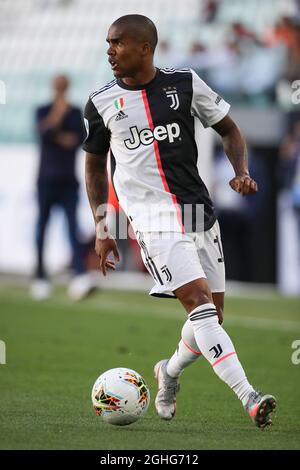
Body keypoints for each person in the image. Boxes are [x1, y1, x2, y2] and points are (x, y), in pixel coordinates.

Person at [83, 14, 277, 429]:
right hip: (152, 219)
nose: (109, 51)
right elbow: (95, 166)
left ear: (144, 47)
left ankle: (168, 372)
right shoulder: (101, 102)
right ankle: (250, 397)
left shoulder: (185, 84)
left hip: (198, 212)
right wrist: (104, 227)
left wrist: (240, 170)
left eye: (117, 43)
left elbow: (229, 129)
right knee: (199, 307)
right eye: (108, 43)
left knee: (211, 317)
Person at [31, 74, 96, 301]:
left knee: (72, 227)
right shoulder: (43, 110)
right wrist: (58, 117)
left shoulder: (75, 112)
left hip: (68, 180)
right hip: (46, 179)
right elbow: (45, 133)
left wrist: (57, 135)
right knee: (42, 228)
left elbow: (77, 140)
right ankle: (40, 276)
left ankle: (79, 275)